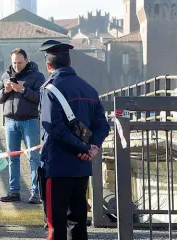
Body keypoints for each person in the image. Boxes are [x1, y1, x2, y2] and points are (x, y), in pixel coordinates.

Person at [38, 40, 110, 240]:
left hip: (58, 165)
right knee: (78, 222)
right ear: (70, 62)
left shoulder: (49, 89)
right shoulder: (89, 89)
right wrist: (91, 148)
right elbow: (102, 125)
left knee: (55, 224)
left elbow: (54, 129)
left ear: (48, 65)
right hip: (81, 167)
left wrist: (82, 147)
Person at [0, 48, 45, 203]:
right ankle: (14, 191)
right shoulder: (5, 76)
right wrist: (6, 90)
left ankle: (36, 192)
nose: (16, 65)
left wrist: (23, 90)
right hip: (10, 122)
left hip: (30, 121)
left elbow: (41, 98)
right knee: (12, 157)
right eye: (14, 62)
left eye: (20, 62)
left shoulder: (37, 76)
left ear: (27, 60)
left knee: (34, 158)